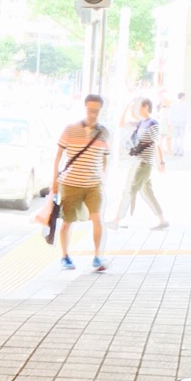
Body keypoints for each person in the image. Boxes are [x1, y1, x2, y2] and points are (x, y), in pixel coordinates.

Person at [51, 94, 110, 272]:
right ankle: (65, 256)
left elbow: (105, 158)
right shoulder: (70, 129)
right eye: (90, 110)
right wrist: (54, 182)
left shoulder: (104, 133)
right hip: (71, 183)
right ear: (84, 108)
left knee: (97, 218)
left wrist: (104, 178)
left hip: (94, 184)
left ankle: (97, 257)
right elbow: (58, 156)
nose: (93, 114)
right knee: (68, 221)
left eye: (96, 111)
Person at [116, 97, 168, 230]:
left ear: (146, 107)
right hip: (138, 162)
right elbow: (121, 123)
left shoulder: (152, 123)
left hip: (144, 163)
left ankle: (119, 220)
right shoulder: (141, 123)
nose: (137, 109)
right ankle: (162, 220)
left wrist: (161, 162)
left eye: (139, 106)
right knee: (147, 193)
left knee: (130, 190)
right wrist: (127, 105)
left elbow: (156, 143)